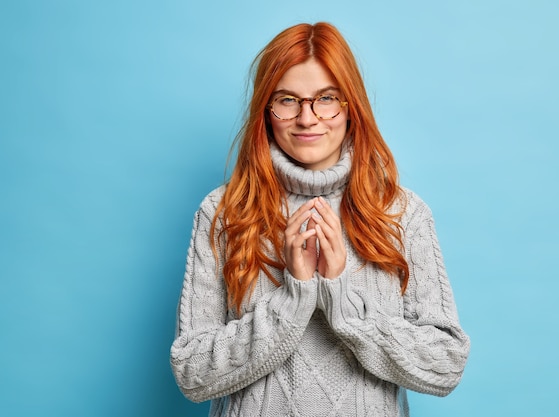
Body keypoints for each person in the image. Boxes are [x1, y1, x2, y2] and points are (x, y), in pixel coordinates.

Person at [170, 22, 470, 417]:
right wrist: (293, 295)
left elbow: (445, 365)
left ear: (351, 106)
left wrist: (342, 298)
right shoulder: (225, 212)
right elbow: (192, 373)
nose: (307, 118)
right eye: (288, 100)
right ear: (266, 109)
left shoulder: (401, 213)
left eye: (326, 98)